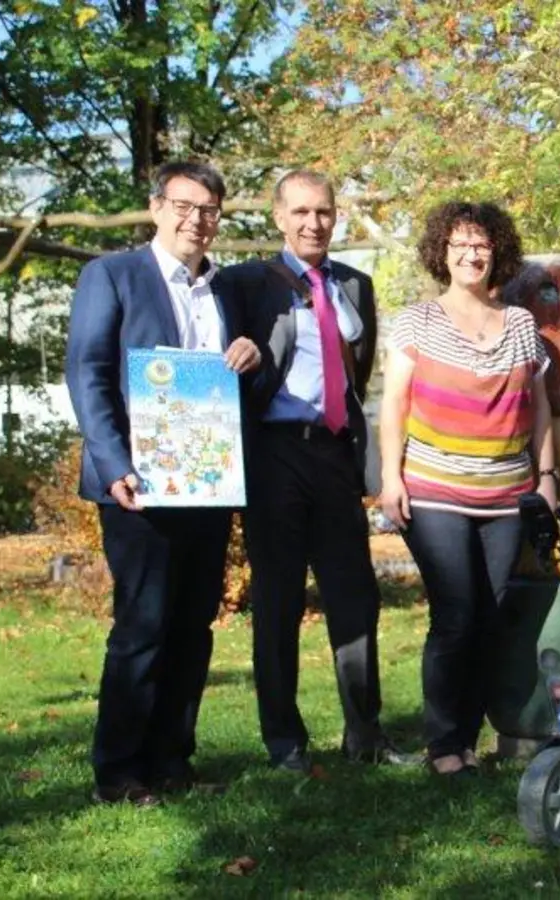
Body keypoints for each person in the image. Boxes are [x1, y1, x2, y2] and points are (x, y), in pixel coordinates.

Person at [65, 160, 262, 806]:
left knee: (192, 626)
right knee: (142, 625)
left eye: (208, 210)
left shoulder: (226, 291)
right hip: (137, 487)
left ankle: (173, 761)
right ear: (156, 208)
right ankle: (119, 772)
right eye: (183, 205)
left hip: (205, 484)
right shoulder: (112, 275)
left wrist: (251, 359)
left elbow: (234, 388)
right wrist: (114, 461)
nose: (195, 219)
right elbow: (89, 373)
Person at [219, 169, 410, 773]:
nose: (314, 223)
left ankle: (364, 732)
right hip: (273, 456)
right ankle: (285, 743)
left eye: (323, 212)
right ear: (278, 218)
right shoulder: (245, 283)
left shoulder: (355, 284)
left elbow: (357, 374)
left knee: (355, 598)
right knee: (277, 602)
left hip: (334, 457)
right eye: (300, 212)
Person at [376, 201, 558, 777]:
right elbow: (395, 406)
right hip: (433, 490)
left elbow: (541, 410)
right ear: (442, 253)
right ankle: (442, 744)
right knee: (455, 614)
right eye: (459, 245)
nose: (471, 254)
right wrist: (388, 478)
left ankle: (470, 736)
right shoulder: (417, 322)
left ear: (497, 252)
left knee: (491, 614)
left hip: (507, 494)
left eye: (480, 244)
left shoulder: (523, 325)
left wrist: (547, 480)